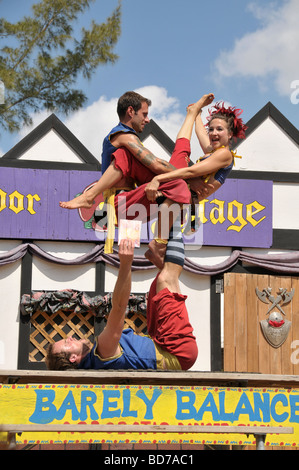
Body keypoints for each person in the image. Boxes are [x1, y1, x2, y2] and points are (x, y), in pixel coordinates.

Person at [59, 93, 216, 257]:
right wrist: (190, 176)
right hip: (122, 205)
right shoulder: (123, 136)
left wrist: (194, 115)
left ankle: (191, 114)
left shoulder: (223, 155)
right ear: (130, 111)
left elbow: (172, 158)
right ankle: (90, 196)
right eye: (145, 114)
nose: (147, 120)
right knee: (128, 157)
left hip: (136, 204)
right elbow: (155, 163)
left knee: (128, 259)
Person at [45, 237, 198, 371]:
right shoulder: (103, 351)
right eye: (66, 342)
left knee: (159, 288)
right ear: (73, 358)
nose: (70, 337)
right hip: (177, 352)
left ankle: (161, 259)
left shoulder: (98, 358)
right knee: (166, 279)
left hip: (158, 341)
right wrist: (125, 264)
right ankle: (176, 218)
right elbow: (118, 307)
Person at [144, 101, 247, 266]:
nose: (213, 133)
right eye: (211, 129)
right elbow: (201, 138)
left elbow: (191, 172)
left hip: (183, 198)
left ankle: (158, 244)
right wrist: (197, 114)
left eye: (219, 129)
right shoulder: (213, 152)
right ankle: (158, 244)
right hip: (181, 196)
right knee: (180, 151)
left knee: (180, 151)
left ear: (230, 135)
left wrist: (158, 179)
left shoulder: (224, 155)